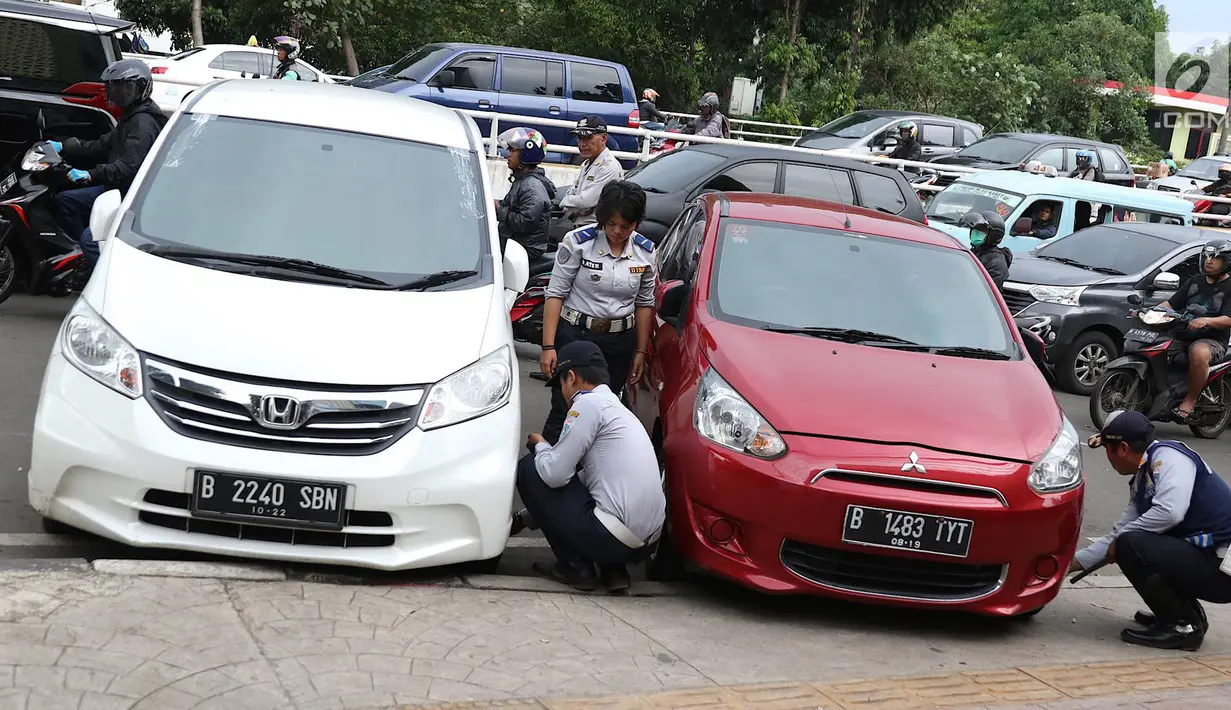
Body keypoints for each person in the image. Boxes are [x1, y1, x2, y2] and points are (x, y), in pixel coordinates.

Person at [1072, 410, 1231, 651]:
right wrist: (1069, 563)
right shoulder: (1144, 477)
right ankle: (1185, 615)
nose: (1108, 457)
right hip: (1209, 562)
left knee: (1132, 545)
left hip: (1224, 571)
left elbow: (1170, 512)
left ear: (1122, 448)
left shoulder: (1169, 458)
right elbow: (1120, 532)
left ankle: (1182, 625)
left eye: (1107, 449)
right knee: (1132, 541)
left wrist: (1122, 541)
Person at [516, 340, 666, 592]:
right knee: (589, 487)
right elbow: (586, 482)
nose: (562, 393)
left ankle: (576, 568)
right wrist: (525, 519)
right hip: (646, 544)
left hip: (613, 539)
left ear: (571, 377)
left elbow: (554, 476)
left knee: (532, 468)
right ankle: (613, 571)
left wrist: (540, 445)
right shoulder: (620, 411)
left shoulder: (586, 404)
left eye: (561, 384)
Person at [541, 180, 655, 444]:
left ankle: (587, 472)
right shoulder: (579, 243)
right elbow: (555, 293)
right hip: (577, 337)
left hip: (618, 342)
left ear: (636, 223)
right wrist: (548, 346)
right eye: (611, 224)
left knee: (603, 410)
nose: (616, 231)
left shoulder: (646, 253)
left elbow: (644, 304)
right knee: (564, 407)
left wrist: (640, 351)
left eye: (625, 226)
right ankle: (545, 468)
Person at [49, 59, 166, 283]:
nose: (121, 93)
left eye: (126, 88)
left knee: (92, 238)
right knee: (65, 202)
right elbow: (102, 144)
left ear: (142, 89)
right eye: (117, 88)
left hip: (130, 196)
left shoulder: (143, 122)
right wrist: (64, 146)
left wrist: (91, 174)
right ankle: (82, 259)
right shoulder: (131, 115)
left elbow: (128, 166)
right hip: (115, 187)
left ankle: (105, 282)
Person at [1155, 239, 1231, 422]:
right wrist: (1151, 312)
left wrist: (1206, 320)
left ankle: (1190, 400)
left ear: (1227, 261)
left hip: (1212, 340)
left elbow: (1228, 319)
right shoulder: (1194, 281)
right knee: (1154, 346)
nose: (1209, 261)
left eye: (1215, 258)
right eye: (1207, 256)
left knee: (1198, 353)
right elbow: (1171, 304)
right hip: (1182, 333)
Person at [494, 127, 555, 260]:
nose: (508, 154)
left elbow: (525, 221)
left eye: (513, 150)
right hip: (514, 244)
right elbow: (510, 205)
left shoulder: (531, 186)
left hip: (524, 250)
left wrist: (499, 210)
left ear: (526, 154)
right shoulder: (522, 180)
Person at [555, 116, 623, 233]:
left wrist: (565, 202)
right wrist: (574, 204)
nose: (582, 143)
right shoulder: (587, 163)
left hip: (596, 229)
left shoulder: (609, 166)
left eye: (588, 137)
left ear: (603, 138)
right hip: (581, 227)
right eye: (580, 138)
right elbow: (574, 191)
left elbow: (585, 201)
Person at [961, 210, 1011, 290]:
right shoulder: (974, 252)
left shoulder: (997, 263)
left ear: (994, 235)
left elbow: (984, 291)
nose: (976, 233)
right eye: (974, 230)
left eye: (981, 231)